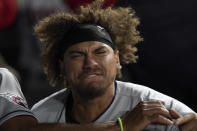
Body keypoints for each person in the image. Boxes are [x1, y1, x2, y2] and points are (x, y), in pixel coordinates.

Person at [0, 0, 197, 131]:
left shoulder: (160, 110)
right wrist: (121, 127)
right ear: (61, 66)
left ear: (118, 60)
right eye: (77, 55)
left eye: (100, 52)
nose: (90, 63)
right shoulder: (40, 115)